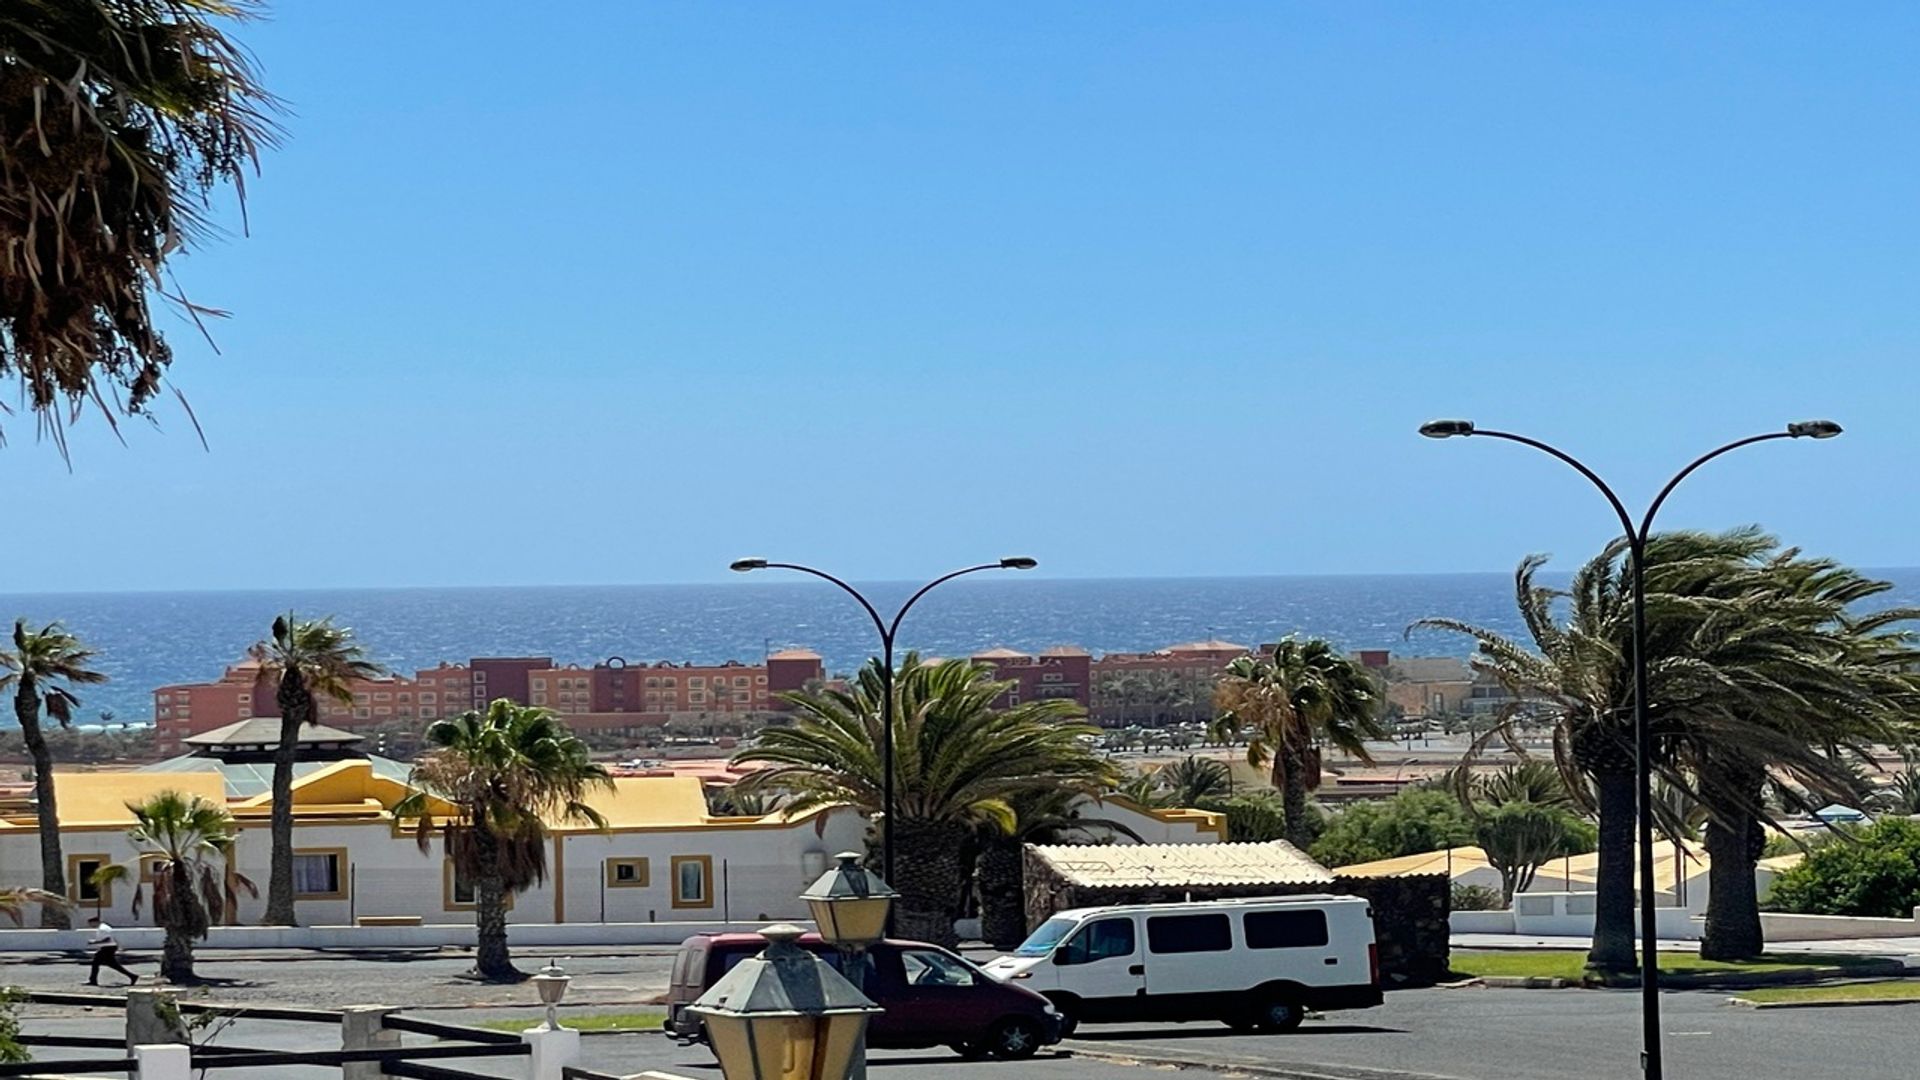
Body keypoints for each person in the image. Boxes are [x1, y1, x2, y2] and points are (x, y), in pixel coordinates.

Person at [86, 919, 138, 986]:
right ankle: (132, 976)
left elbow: (108, 939)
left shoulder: (103, 929)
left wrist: (94, 942)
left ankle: (93, 980)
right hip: (109, 947)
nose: (90, 926)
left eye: (91, 924)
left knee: (96, 963)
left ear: (95, 922)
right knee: (113, 964)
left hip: (108, 948)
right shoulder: (105, 927)